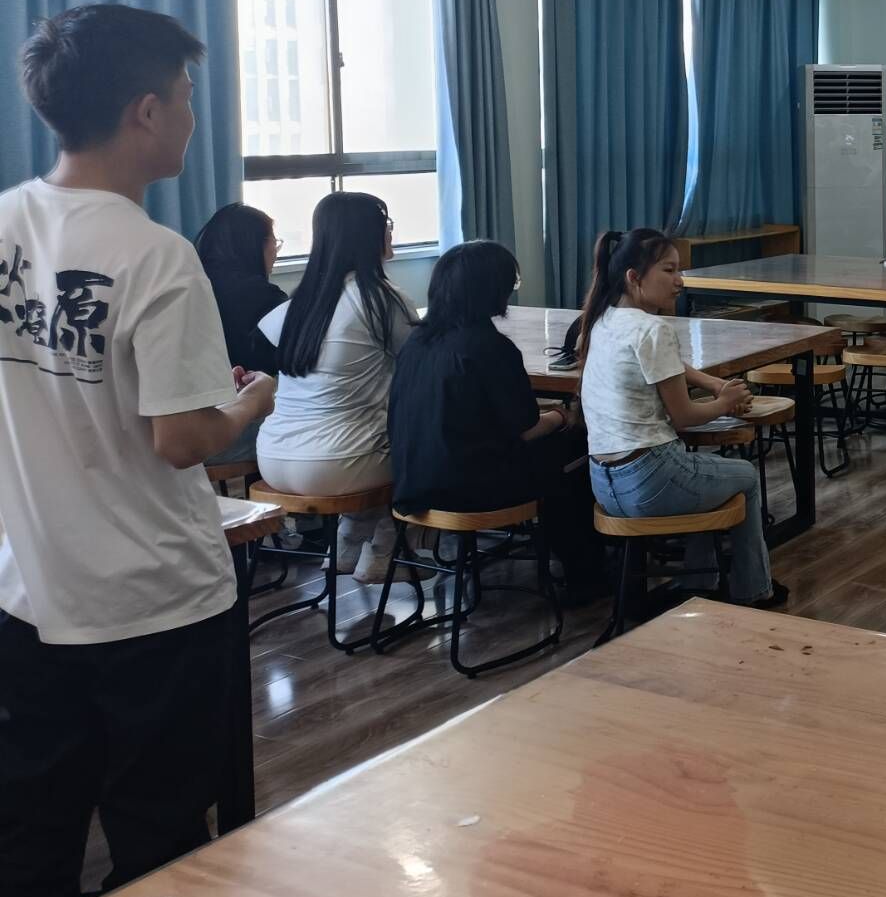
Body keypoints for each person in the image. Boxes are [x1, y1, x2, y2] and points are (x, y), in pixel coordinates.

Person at [0, 5, 276, 897]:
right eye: (188, 96)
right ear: (146, 112)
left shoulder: (6, 221)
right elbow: (183, 440)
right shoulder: (157, 256)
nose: (195, 117)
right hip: (154, 602)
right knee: (160, 844)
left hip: (30, 593)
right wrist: (250, 404)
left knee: (31, 835)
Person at [387, 239, 608, 603]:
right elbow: (526, 429)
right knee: (580, 449)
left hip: (412, 481)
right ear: (494, 290)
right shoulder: (490, 347)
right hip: (470, 489)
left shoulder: (417, 342)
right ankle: (586, 574)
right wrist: (561, 415)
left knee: (557, 451)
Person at [576, 227, 787, 609]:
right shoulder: (653, 329)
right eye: (669, 270)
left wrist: (714, 384)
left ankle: (700, 583)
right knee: (745, 476)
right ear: (634, 277)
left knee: (707, 476)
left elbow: (667, 365)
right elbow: (685, 417)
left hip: (604, 484)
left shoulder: (603, 319)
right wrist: (725, 402)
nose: (680, 281)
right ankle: (754, 590)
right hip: (648, 479)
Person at [255, 192, 415, 584]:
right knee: (415, 441)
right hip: (338, 463)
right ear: (369, 234)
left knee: (370, 434)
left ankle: (346, 545)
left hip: (272, 456)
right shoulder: (381, 300)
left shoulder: (299, 303)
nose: (389, 233)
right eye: (386, 225)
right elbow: (420, 366)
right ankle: (381, 553)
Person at [193, 203, 286, 469]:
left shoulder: (189, 287)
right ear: (254, 245)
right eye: (274, 243)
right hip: (232, 429)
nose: (276, 252)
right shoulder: (266, 299)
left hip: (180, 428)